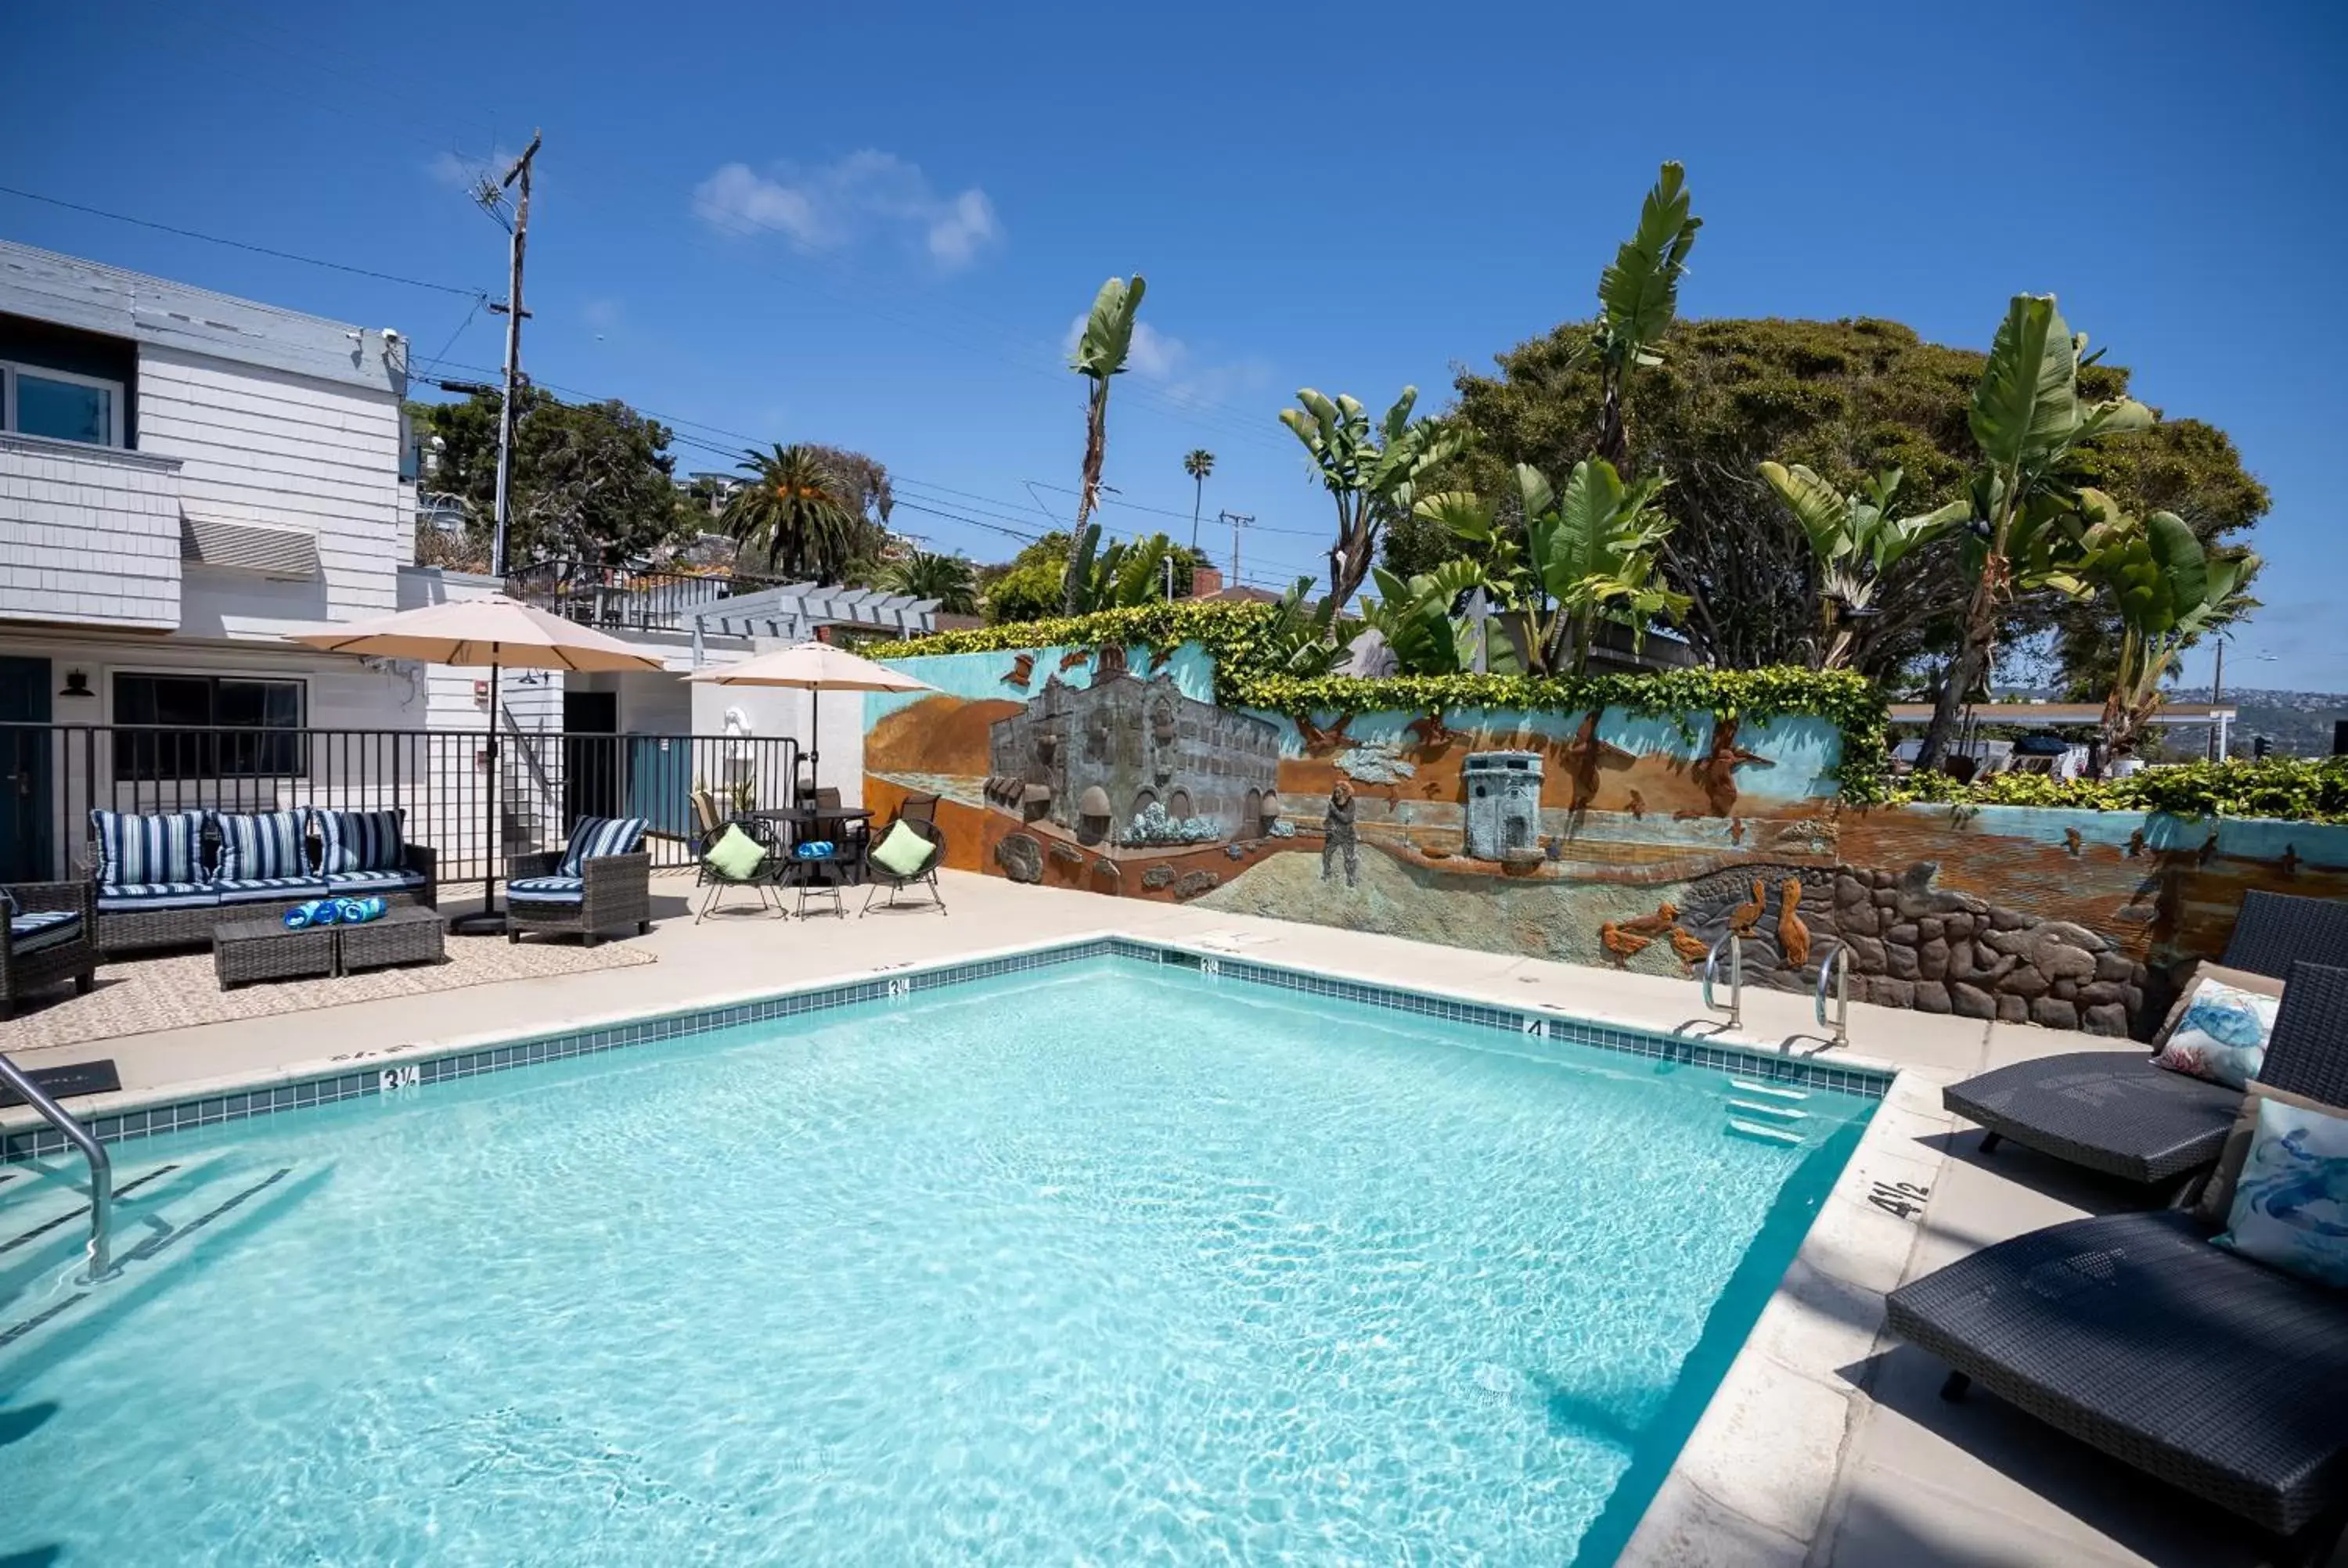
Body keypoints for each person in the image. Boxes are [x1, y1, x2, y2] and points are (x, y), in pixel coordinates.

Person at [1322, 780, 1358, 888]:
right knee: (1327, 854)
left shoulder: (1351, 803)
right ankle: (1327, 874)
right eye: (1336, 793)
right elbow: (1329, 818)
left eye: (1339, 793)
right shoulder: (1334, 801)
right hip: (1335, 834)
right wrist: (1329, 826)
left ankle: (1351, 879)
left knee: (1349, 858)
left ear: (1345, 793)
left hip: (1348, 834)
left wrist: (1333, 808)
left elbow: (1346, 818)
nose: (1337, 796)